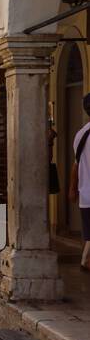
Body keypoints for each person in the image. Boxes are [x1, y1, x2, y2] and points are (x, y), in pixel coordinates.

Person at [70, 93, 90, 272]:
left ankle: (85, 259)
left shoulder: (80, 134)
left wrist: (73, 189)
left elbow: (76, 164)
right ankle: (85, 260)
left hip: (86, 194)